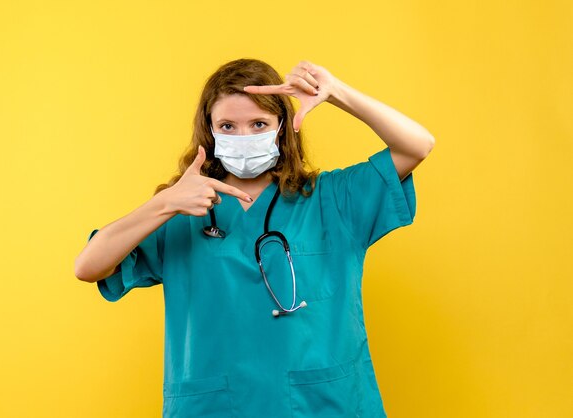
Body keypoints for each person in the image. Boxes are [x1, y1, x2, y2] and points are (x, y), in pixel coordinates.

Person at [74, 58, 435, 418]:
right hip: (215, 406)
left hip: (322, 405)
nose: (242, 137)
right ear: (210, 132)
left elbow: (417, 145)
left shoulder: (332, 200)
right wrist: (164, 203)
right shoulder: (183, 211)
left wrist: (336, 92)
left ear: (281, 128)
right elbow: (88, 266)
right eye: (227, 125)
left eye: (258, 124)